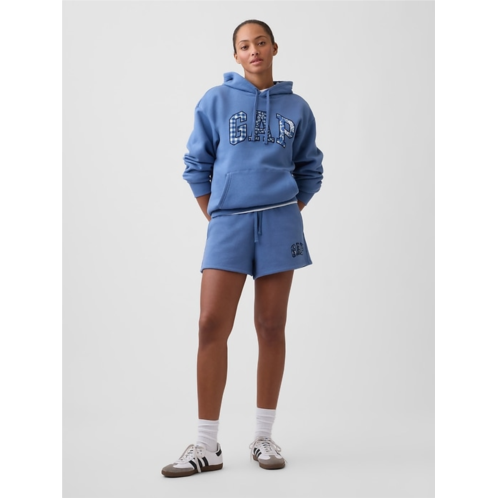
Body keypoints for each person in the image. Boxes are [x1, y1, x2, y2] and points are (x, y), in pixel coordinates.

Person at [162, 19, 324, 478]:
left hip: (279, 224)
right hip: (228, 224)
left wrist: (285, 210)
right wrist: (218, 214)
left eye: (261, 42)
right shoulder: (215, 100)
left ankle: (263, 436)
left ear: (274, 48)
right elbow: (196, 164)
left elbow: (310, 169)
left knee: (271, 326)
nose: (254, 50)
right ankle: (206, 444)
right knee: (210, 323)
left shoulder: (297, 107)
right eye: (244, 45)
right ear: (235, 55)